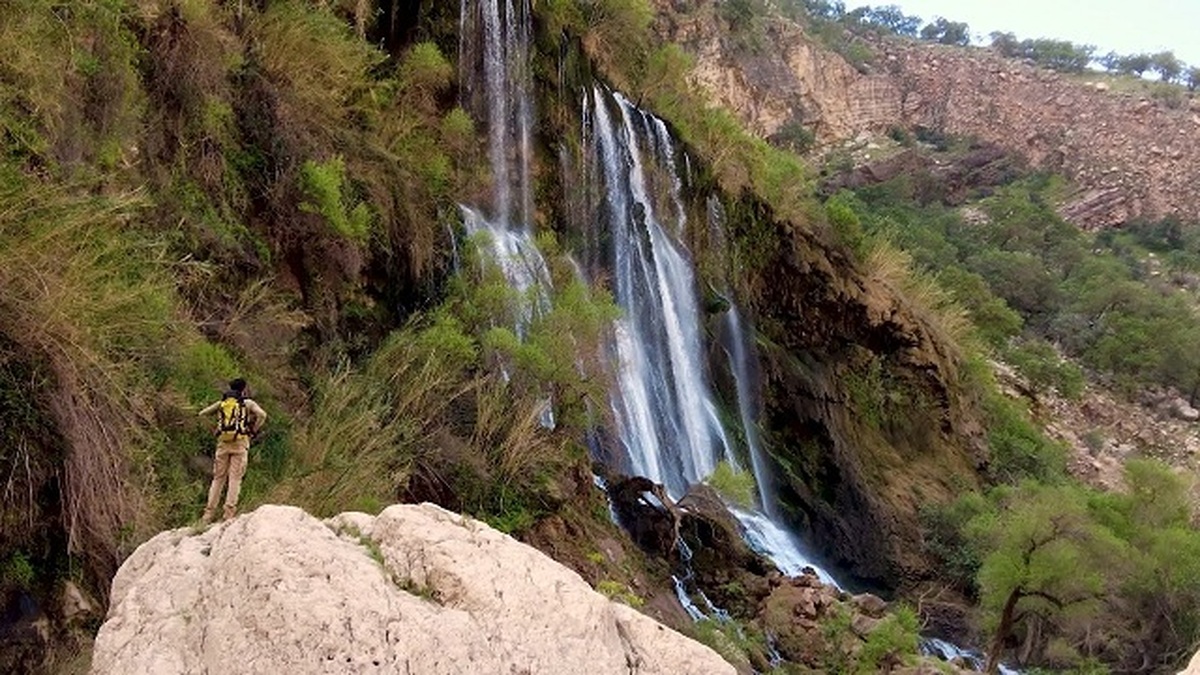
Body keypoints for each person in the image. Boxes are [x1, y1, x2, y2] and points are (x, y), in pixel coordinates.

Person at [197, 377, 266, 523]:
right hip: (240, 443)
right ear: (244, 389)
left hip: (222, 444)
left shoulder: (222, 403)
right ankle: (228, 514)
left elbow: (202, 414)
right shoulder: (247, 403)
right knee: (235, 479)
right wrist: (253, 430)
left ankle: (208, 514)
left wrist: (215, 430)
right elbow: (262, 415)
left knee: (218, 479)